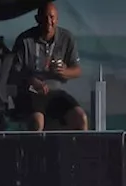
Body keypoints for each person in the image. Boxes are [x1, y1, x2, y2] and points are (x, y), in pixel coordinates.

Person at [10, 2, 88, 130]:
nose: (48, 21)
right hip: (31, 93)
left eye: (52, 17)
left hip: (55, 93)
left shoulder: (67, 38)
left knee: (80, 118)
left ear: (57, 19)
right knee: (37, 121)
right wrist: (31, 80)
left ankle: (80, 149)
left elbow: (77, 70)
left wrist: (64, 72)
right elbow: (13, 73)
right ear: (37, 19)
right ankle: (34, 149)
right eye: (45, 18)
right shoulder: (25, 40)